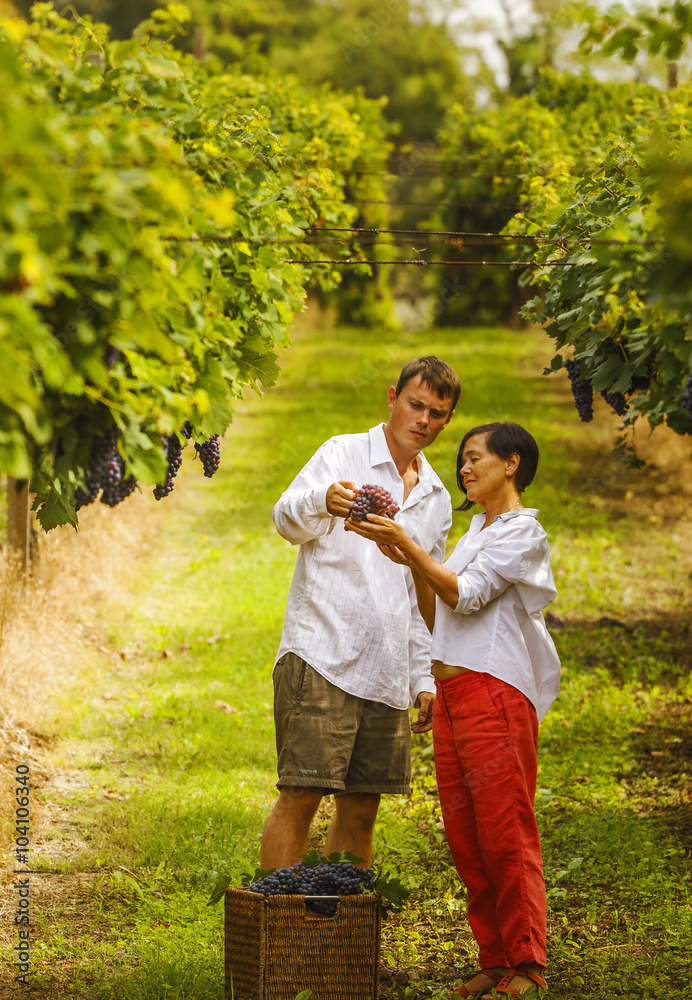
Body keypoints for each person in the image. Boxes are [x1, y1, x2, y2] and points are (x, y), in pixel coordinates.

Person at [345, 421, 560, 999]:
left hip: (494, 692)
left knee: (505, 829)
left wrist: (411, 544)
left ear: (511, 464)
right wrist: (405, 556)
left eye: (475, 458)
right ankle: (495, 957)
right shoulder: (473, 534)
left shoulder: (522, 532)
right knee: (466, 835)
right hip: (453, 696)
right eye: (462, 461)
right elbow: (440, 615)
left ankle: (528, 964)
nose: (464, 469)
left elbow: (465, 594)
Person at [260, 356, 461, 871]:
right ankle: (278, 934)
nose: (424, 420)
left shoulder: (436, 497)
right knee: (303, 794)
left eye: (437, 413)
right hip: (323, 652)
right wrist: (323, 500)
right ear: (392, 398)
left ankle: (334, 938)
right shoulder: (343, 453)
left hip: (387, 671)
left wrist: (423, 677)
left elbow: (423, 595)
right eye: (416, 405)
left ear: (447, 419)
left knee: (363, 808)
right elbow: (285, 520)